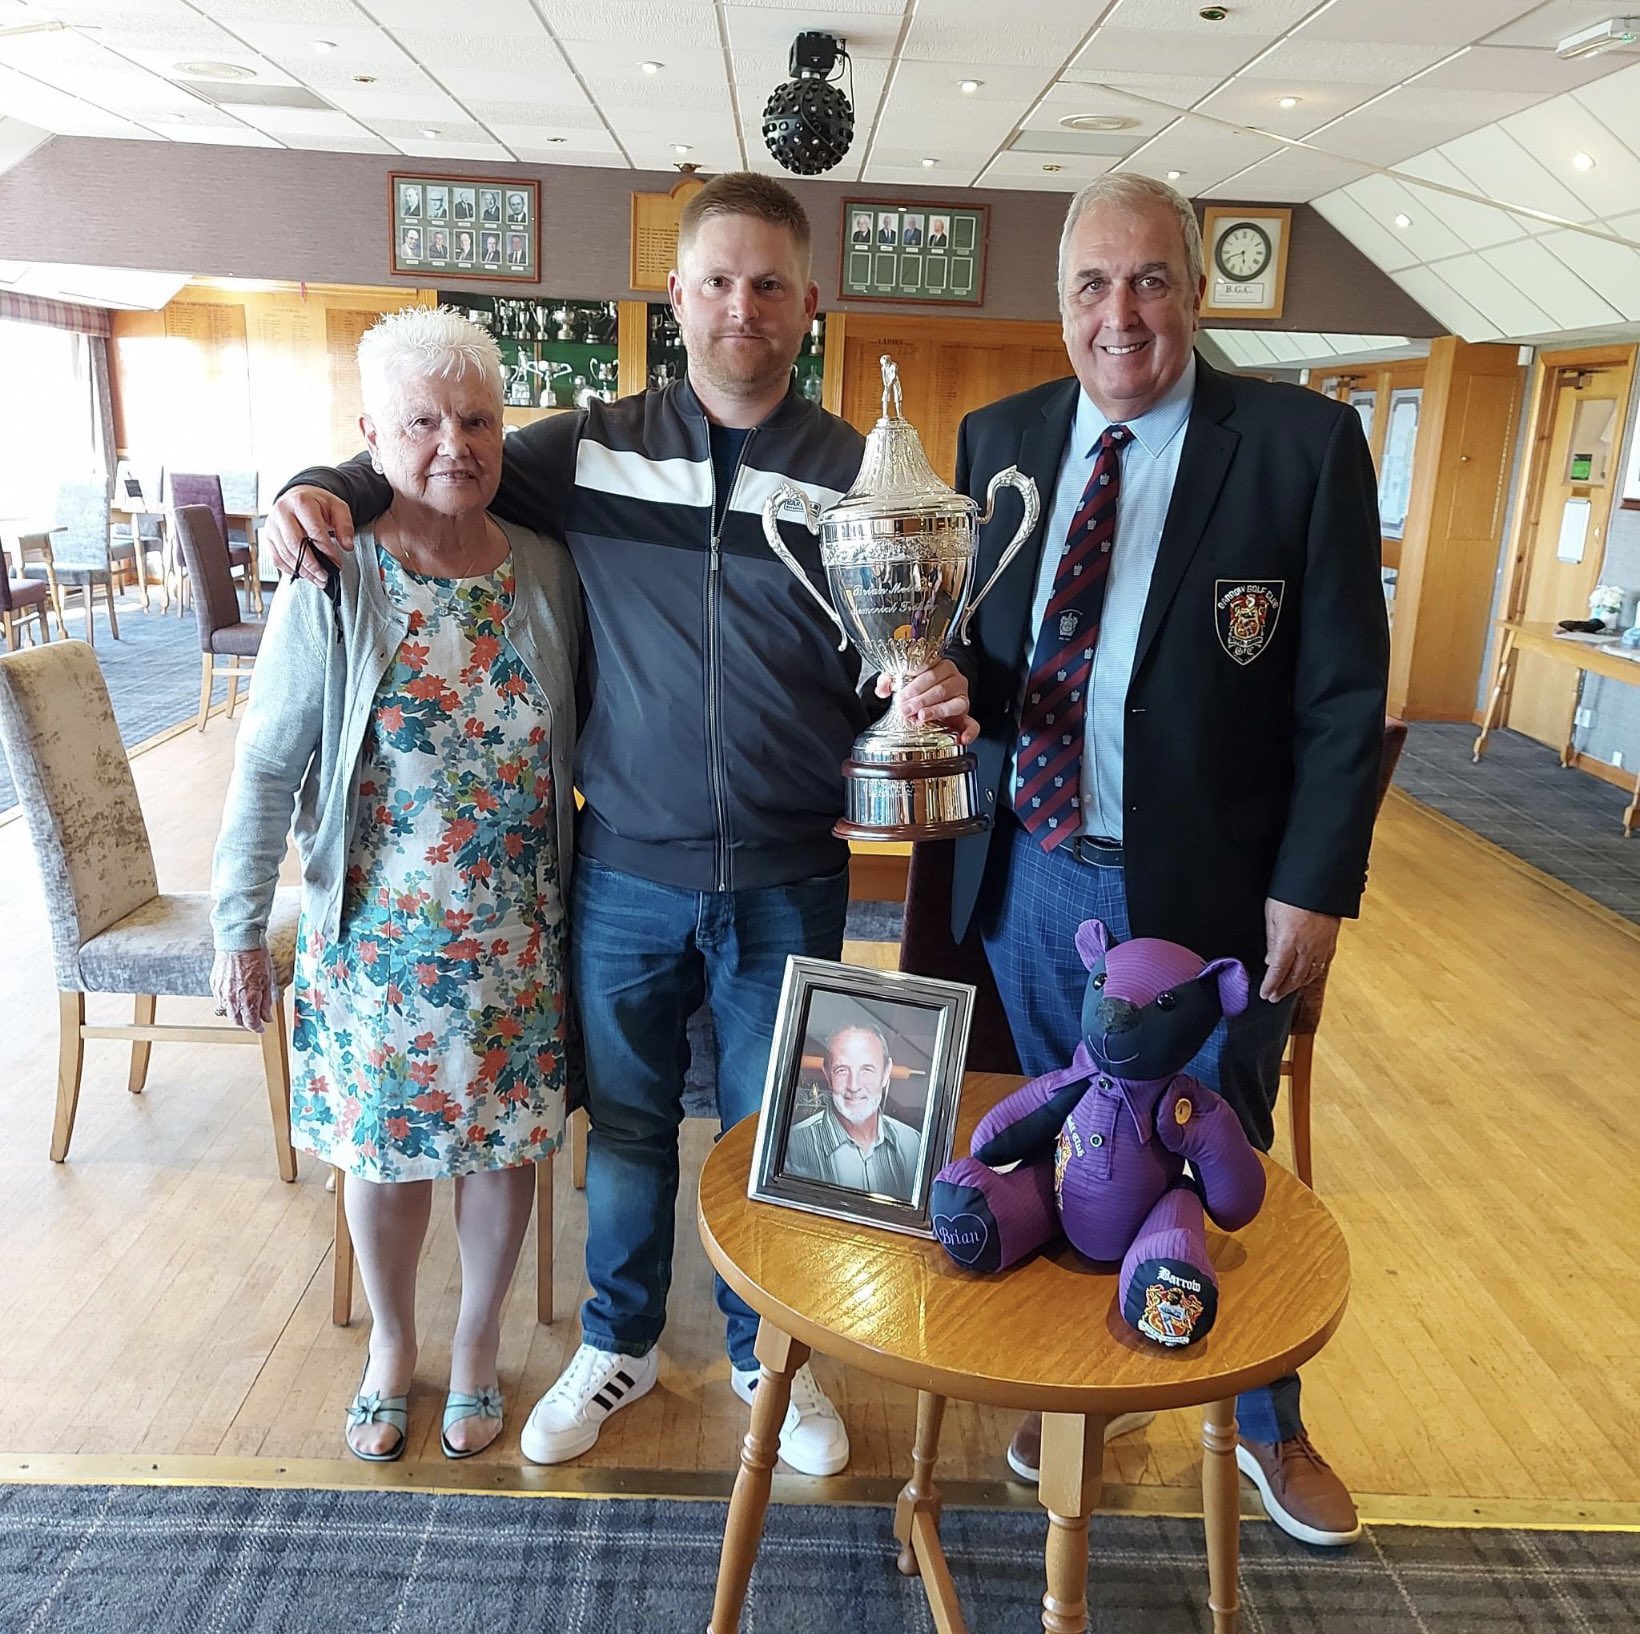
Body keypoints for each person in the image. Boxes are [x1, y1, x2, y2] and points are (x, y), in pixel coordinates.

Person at [259, 171, 974, 1480]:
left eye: (769, 283)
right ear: (676, 296)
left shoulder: (854, 475)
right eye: (718, 281)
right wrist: (319, 485)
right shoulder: (584, 449)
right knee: (630, 1129)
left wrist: (927, 685)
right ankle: (619, 1340)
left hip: (790, 871)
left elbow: (910, 638)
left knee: (783, 1136)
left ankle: (772, 1354)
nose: (743, 306)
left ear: (809, 302)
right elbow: (435, 458)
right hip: (624, 872)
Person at [949, 172, 1388, 1546]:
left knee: (1217, 1159)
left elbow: (1340, 696)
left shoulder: (1301, 445)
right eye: (1093, 283)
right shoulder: (998, 440)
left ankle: (1264, 1420)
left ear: (1195, 293)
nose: (1121, 312)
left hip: (1209, 902)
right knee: (1079, 1151)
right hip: (1033, 873)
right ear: (1059, 301)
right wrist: (940, 686)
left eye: (1150, 279)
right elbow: (977, 648)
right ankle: (1089, 1395)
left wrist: (1312, 883)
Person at [211, 307, 582, 1463]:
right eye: (421, 422)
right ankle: (392, 1344)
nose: (452, 444)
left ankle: (474, 1347)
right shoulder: (333, 573)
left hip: (515, 934)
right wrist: (238, 926)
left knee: (501, 1150)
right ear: (370, 436)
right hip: (373, 938)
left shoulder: (547, 570)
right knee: (381, 1154)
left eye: (476, 419)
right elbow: (268, 761)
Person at [782, 1022, 921, 1198]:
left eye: (867, 1069)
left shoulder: (913, 1143)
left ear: (886, 1073)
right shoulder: (792, 1146)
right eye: (842, 1070)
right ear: (827, 1074)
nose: (854, 1086)